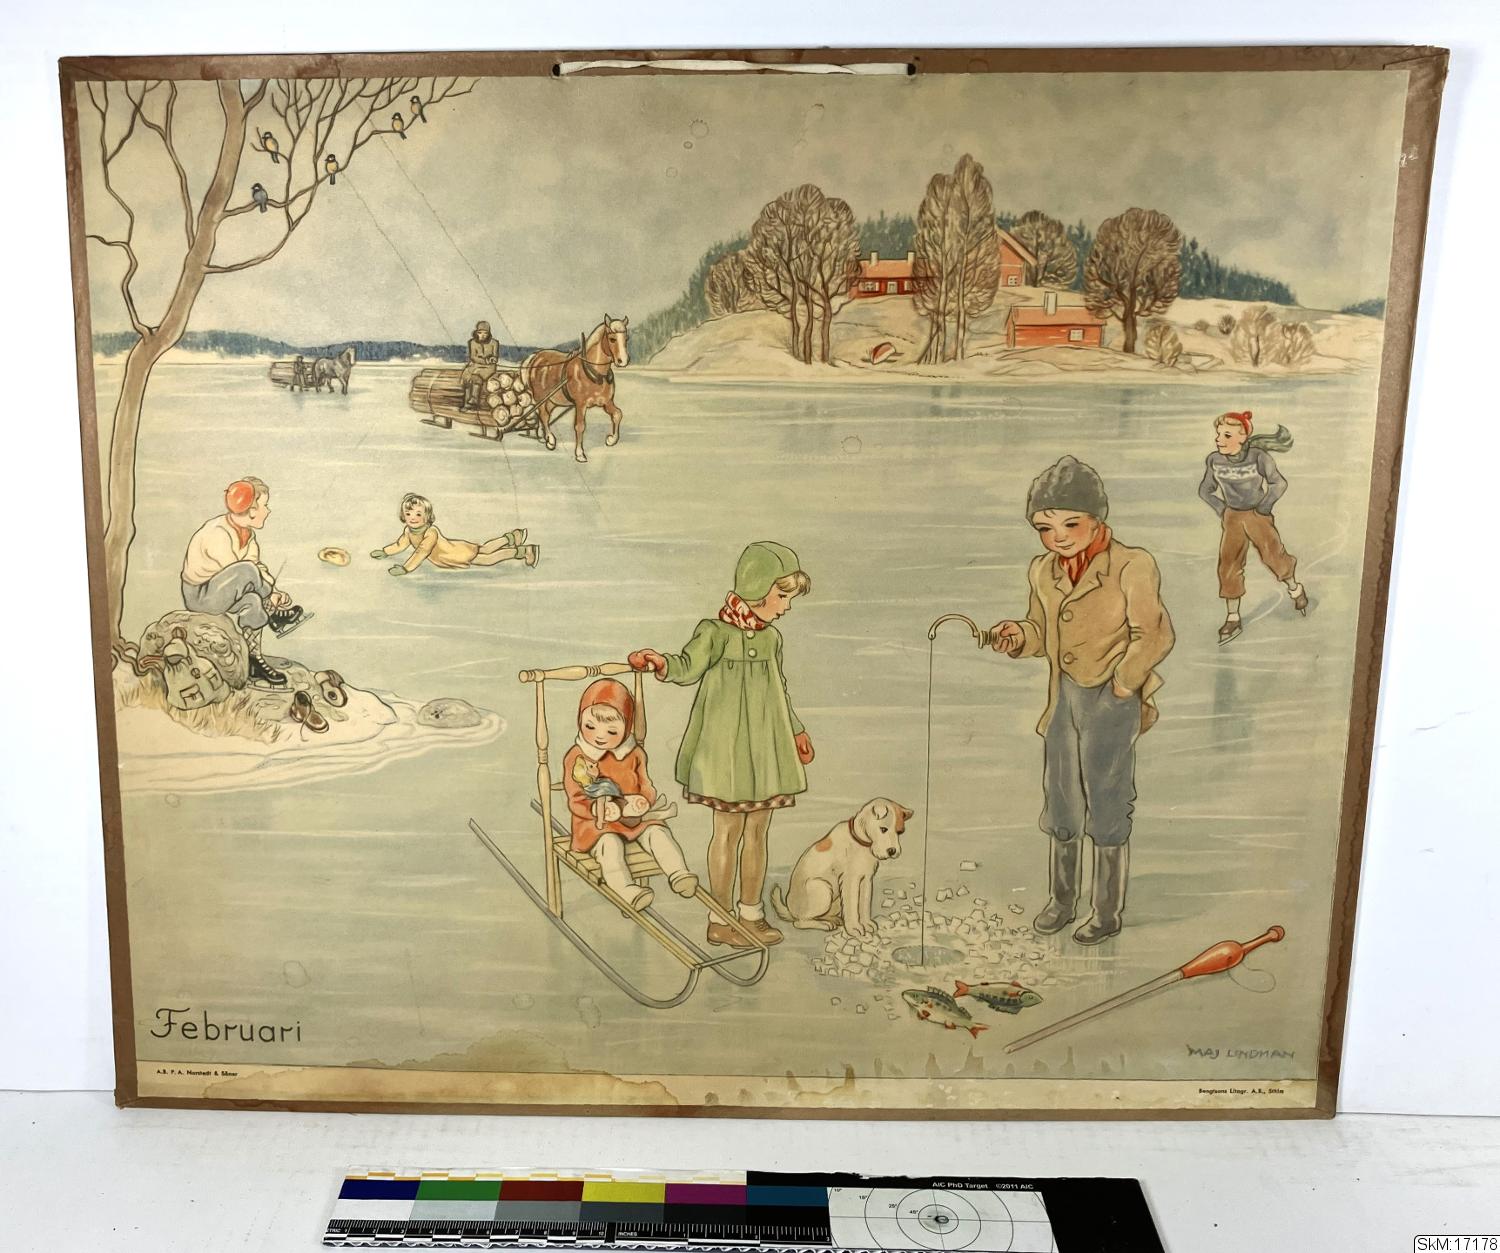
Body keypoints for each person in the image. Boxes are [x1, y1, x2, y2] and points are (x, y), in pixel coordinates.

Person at [988, 456, 1174, 945]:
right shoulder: (1042, 570)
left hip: (1110, 699)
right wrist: (1019, 637)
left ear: (1097, 519)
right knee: (1062, 799)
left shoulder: (1132, 564)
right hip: (1062, 701)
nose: (1059, 538)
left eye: (1071, 524)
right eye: (1044, 528)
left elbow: (1155, 633)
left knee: (1108, 801)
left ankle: (1107, 911)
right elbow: (1041, 631)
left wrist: (1124, 684)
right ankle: (1062, 900)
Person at [630, 541, 814, 950]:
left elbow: (780, 690)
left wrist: (797, 730)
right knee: (728, 832)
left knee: (758, 832)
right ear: (757, 587)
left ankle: (751, 914)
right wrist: (661, 662)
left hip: (765, 752)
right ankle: (720, 919)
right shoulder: (714, 632)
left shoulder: (772, 640)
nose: (786, 606)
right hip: (725, 754)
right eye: (782, 595)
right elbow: (686, 665)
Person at [561, 679, 697, 912]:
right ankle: (626, 890)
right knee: (609, 845)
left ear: (626, 728)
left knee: (658, 832)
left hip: (633, 818)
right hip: (596, 824)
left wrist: (644, 801)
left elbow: (646, 786)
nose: (600, 736)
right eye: (590, 726)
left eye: (612, 731)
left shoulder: (634, 753)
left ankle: (679, 874)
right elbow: (576, 799)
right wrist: (597, 809)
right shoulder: (578, 756)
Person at [181, 477, 304, 688]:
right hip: (201, 595)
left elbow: (256, 568)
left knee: (253, 601)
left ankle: (253, 659)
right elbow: (238, 570)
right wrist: (270, 594)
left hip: (224, 592)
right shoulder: (218, 533)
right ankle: (274, 616)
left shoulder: (248, 535)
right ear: (252, 510)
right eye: (265, 505)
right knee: (247, 571)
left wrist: (273, 591)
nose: (268, 511)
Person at [1197, 410, 1307, 645]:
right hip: (1232, 517)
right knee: (1229, 564)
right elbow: (1205, 490)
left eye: (1227, 435)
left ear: (1242, 437)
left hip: (1257, 516)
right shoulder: (1214, 460)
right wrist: (1222, 509)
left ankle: (1295, 589)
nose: (1219, 439)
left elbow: (1279, 483)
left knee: (1273, 556)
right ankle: (1232, 617)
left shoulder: (1258, 457)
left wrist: (1264, 507)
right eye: (1218, 434)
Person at [370, 493, 538, 575]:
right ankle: (513, 537)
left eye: (418, 514)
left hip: (455, 553)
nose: (412, 518)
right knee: (485, 549)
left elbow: (422, 551)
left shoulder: (431, 532)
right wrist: (386, 552)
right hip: (452, 551)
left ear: (427, 516)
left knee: (488, 558)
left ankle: (524, 551)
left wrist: (406, 568)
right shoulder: (408, 531)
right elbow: (401, 544)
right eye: (408, 514)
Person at [461, 320, 499, 410]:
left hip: (489, 367)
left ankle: (474, 400)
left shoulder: (494, 343)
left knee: (476, 377)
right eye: (480, 333)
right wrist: (484, 360)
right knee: (466, 377)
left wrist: (492, 359)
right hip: (475, 365)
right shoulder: (472, 342)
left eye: (485, 333)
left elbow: (495, 357)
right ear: (477, 332)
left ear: (488, 333)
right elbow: (473, 357)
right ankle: (466, 404)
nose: (482, 335)